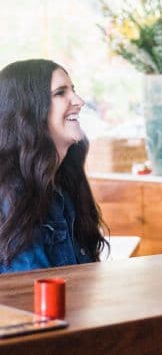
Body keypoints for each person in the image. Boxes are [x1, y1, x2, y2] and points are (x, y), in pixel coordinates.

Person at [0, 59, 108, 273]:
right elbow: (31, 296)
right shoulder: (13, 194)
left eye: (73, 90)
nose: (79, 101)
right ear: (28, 109)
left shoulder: (63, 182)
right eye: (60, 93)